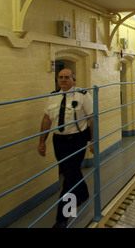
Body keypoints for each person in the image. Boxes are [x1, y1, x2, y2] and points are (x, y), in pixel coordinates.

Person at [38, 68, 93, 228]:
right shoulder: (53, 96)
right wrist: (42, 141)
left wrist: (93, 141)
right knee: (71, 171)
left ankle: (62, 218)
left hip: (76, 139)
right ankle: (83, 193)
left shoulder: (83, 96)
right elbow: (47, 119)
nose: (63, 80)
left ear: (73, 80)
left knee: (68, 179)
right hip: (58, 141)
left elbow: (91, 119)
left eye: (67, 77)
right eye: (60, 77)